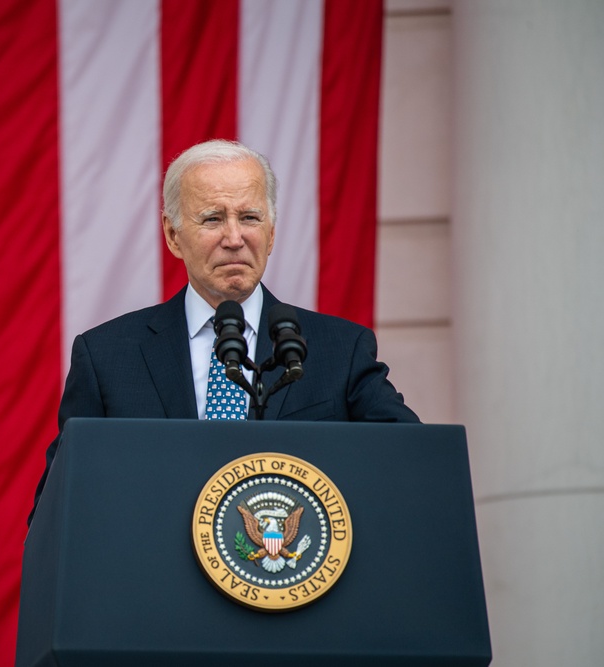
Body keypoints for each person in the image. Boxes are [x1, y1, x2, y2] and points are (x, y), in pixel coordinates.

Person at [29, 139, 418, 521]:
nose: (234, 238)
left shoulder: (340, 350)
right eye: (213, 219)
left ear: (271, 232)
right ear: (172, 235)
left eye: (250, 218)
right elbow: (58, 510)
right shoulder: (108, 357)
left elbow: (411, 465)